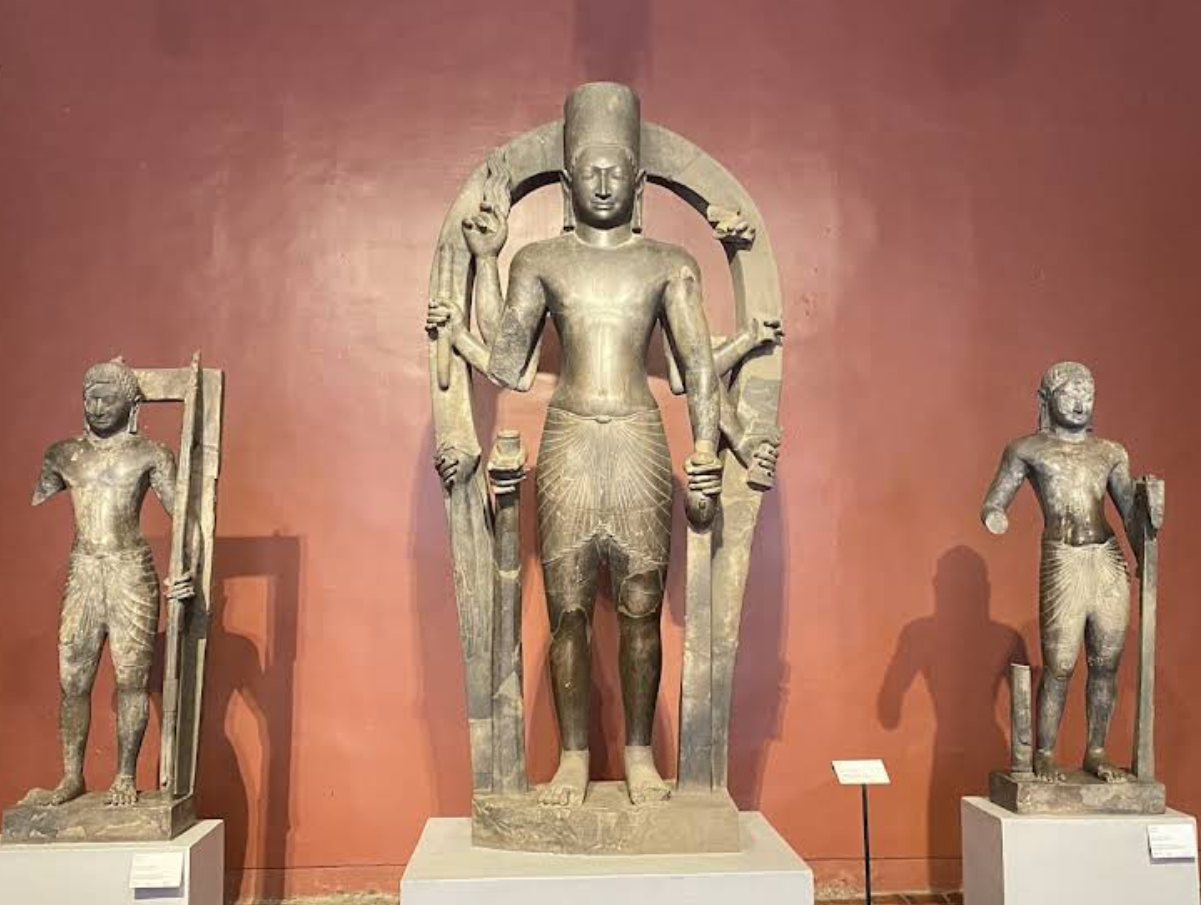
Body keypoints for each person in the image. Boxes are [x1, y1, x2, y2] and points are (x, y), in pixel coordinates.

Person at [21, 359, 192, 807]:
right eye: (90, 397)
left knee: (131, 679)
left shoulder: (151, 454)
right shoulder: (63, 455)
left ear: (132, 403)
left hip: (130, 570)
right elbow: (39, 496)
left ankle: (123, 775)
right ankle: (72, 775)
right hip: (84, 568)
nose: (97, 406)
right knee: (73, 679)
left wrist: (187, 570)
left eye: (107, 398)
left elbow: (188, 522)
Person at [981, 361, 1136, 783]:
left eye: (1088, 391)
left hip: (1106, 558)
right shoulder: (1028, 449)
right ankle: (1046, 752)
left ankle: (1097, 750)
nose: (1081, 400)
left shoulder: (1110, 452)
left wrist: (1149, 516)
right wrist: (995, 515)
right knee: (1061, 664)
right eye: (1070, 391)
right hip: (1063, 558)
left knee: (1105, 662)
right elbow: (995, 500)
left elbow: (1131, 518)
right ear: (1047, 399)